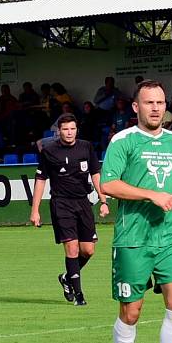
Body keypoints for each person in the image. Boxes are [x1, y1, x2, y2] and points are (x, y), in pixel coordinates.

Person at [100, 80, 172, 343]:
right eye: (149, 103)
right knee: (131, 311)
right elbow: (109, 184)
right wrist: (149, 195)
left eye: (160, 102)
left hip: (169, 237)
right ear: (135, 107)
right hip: (133, 238)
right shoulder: (123, 141)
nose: (156, 108)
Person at [29, 114, 109, 306]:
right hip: (61, 203)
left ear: (77, 130)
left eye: (72, 129)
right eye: (65, 129)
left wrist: (103, 199)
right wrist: (35, 210)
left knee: (88, 250)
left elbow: (96, 173)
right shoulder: (49, 151)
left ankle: (67, 278)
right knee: (72, 248)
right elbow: (40, 180)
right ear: (59, 131)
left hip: (83, 203)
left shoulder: (86, 147)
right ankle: (79, 295)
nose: (69, 132)